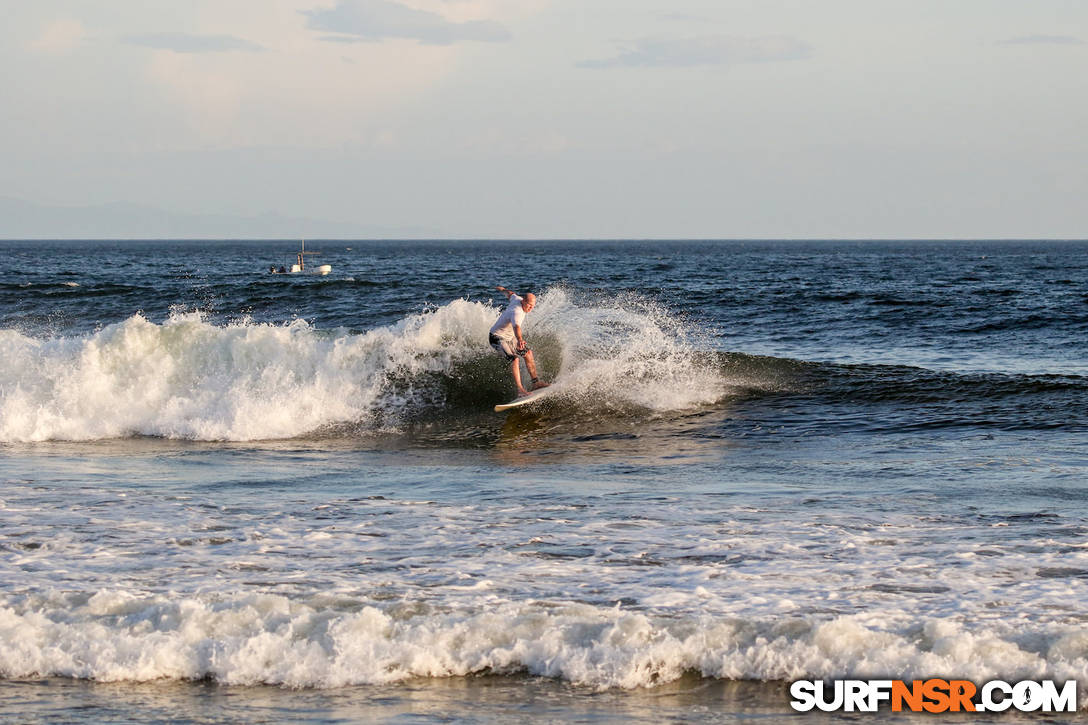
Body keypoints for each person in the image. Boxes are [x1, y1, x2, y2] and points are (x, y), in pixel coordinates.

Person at [489, 286, 549, 397]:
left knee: (528, 353)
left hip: (509, 338)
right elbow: (517, 327)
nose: (531, 309)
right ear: (524, 301)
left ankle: (536, 383)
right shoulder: (517, 312)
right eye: (529, 306)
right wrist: (520, 340)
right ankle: (520, 390)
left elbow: (510, 293)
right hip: (496, 337)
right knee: (514, 359)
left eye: (533, 307)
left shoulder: (516, 298)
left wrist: (502, 289)